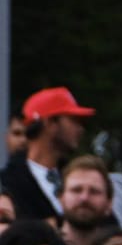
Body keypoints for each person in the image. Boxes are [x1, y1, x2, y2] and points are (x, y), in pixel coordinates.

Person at [3, 88, 93, 224]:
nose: (80, 129)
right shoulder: (6, 183)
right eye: (74, 120)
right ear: (50, 123)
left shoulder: (77, 177)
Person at [56, 157, 122, 245]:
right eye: (76, 190)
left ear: (109, 203)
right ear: (61, 198)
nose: (84, 198)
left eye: (94, 191)